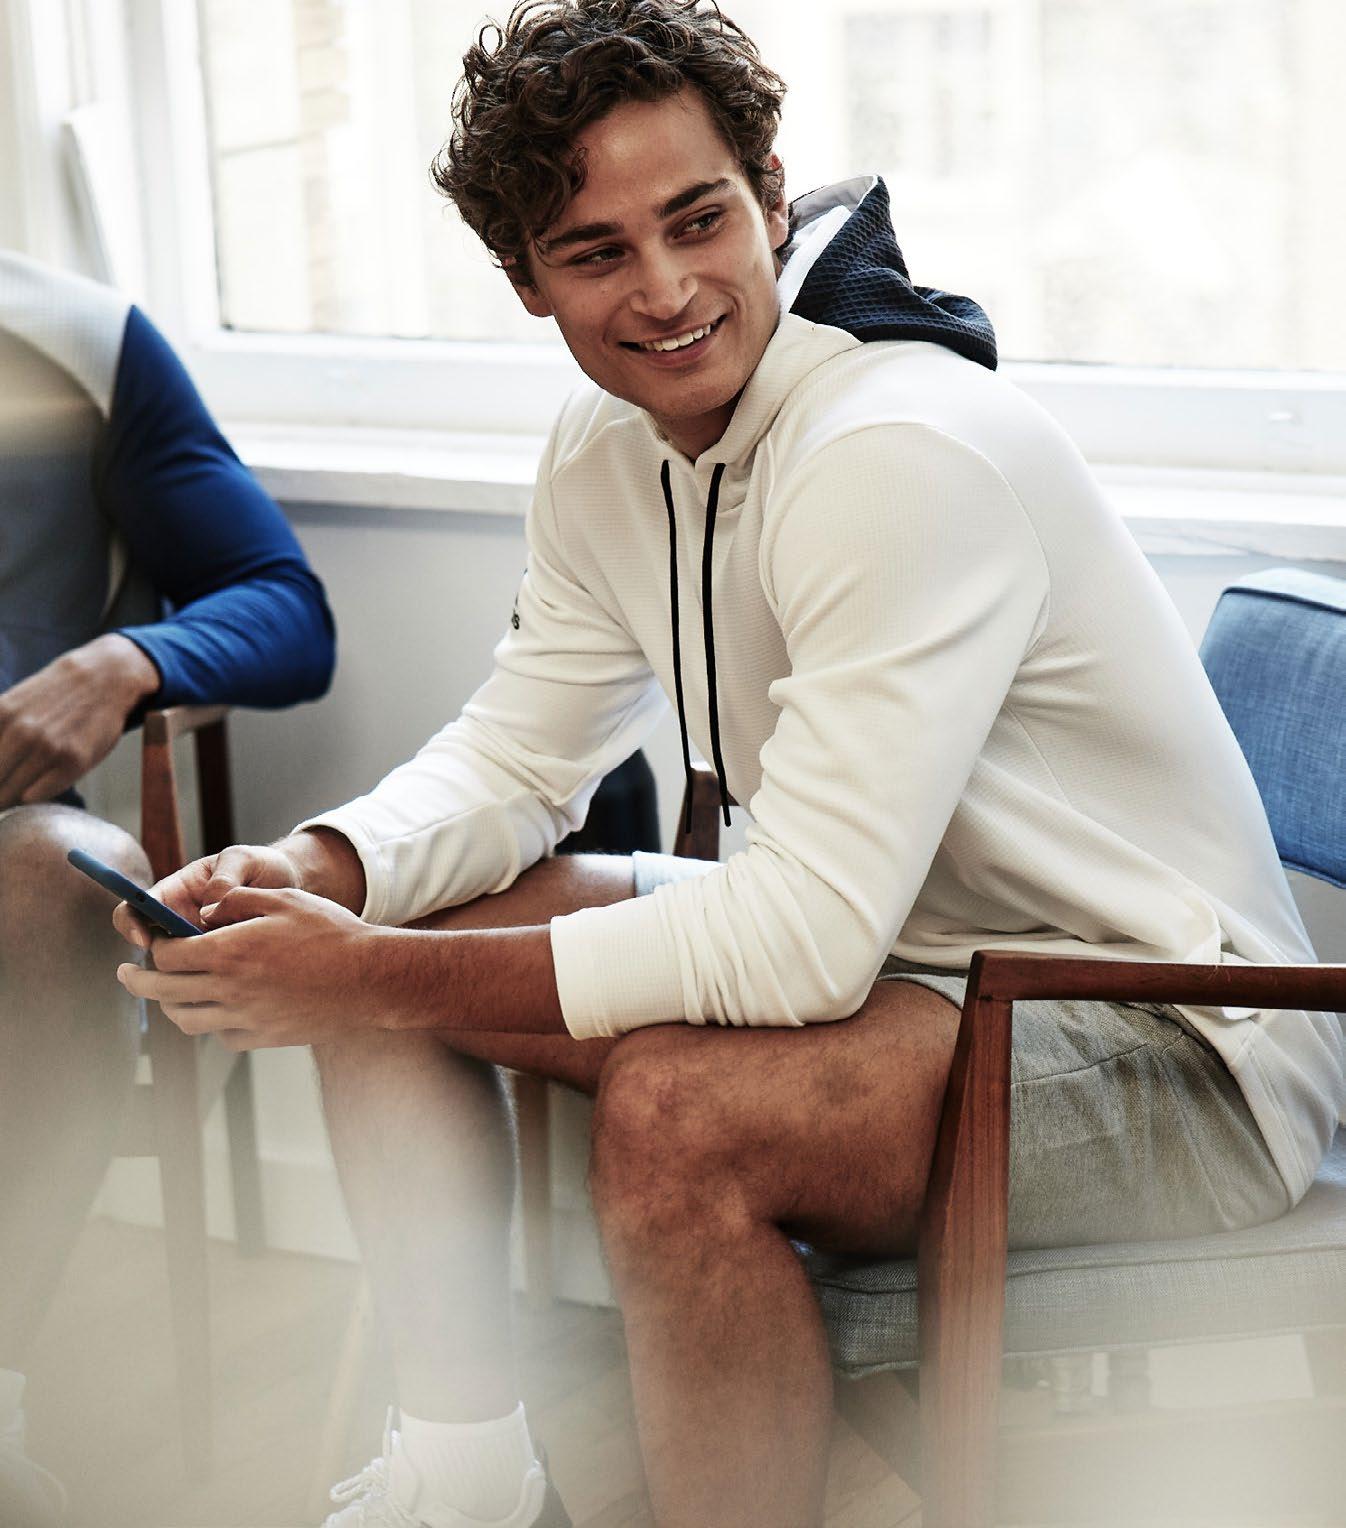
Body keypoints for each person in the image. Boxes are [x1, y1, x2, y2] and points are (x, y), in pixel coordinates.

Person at [114, 3, 1343, 1525]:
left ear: (769, 195)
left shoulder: (892, 449)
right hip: (913, 972)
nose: (666, 289)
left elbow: (801, 940)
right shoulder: (605, 451)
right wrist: (322, 871)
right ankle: (466, 1474)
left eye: (697, 220)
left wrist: (362, 975)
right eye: (596, 252)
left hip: (1171, 1040)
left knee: (667, 1113)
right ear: (526, 279)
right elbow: (518, 753)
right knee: (393, 921)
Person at [0, 250, 336, 1527]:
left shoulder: (81, 343)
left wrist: (127, 658)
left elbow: (286, 609)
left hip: (7, 842)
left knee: (64, 876)